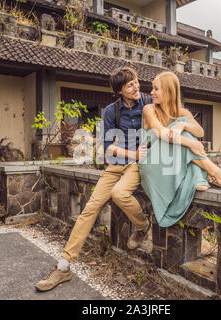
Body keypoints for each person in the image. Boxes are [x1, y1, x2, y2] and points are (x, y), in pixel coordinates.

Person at [35, 67, 151, 292]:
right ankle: (64, 266)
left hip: (138, 165)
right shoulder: (111, 111)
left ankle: (142, 224)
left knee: (119, 194)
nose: (136, 86)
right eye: (130, 85)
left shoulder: (148, 101)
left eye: (136, 81)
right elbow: (109, 148)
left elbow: (173, 110)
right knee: (90, 208)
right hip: (117, 163)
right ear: (119, 91)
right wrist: (131, 153)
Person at [139, 71, 221, 227]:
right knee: (178, 133)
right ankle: (215, 173)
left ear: (168, 91)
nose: (151, 92)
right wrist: (191, 143)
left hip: (172, 164)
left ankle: (201, 177)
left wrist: (183, 124)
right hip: (153, 163)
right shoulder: (149, 109)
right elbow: (162, 134)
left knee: (181, 126)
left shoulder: (182, 113)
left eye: (156, 89)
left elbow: (200, 132)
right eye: (152, 88)